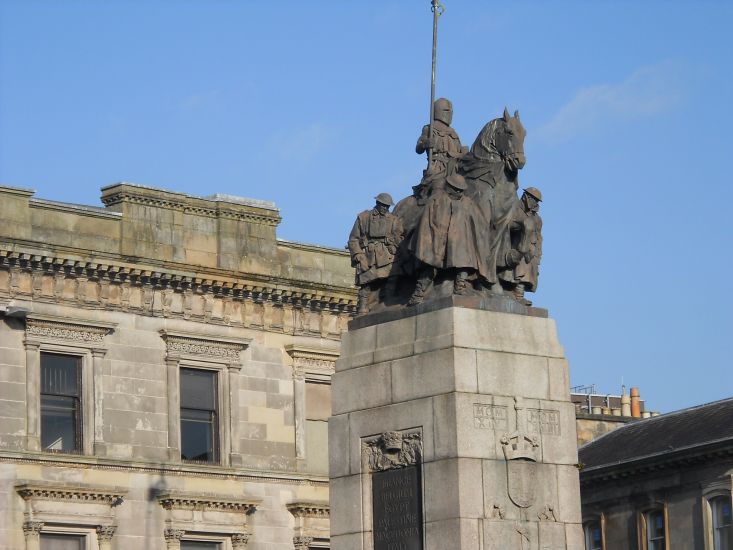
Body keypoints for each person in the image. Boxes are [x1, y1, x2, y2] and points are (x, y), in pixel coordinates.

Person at [408, 173, 493, 304]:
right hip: (438, 239)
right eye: (456, 189)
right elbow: (426, 223)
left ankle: (460, 285)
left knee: (465, 259)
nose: (458, 192)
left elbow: (479, 224)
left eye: (461, 190)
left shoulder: (468, 203)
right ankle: (419, 292)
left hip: (461, 243)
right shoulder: (437, 199)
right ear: (448, 186)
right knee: (428, 264)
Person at [347, 193, 404, 315]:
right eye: (383, 205)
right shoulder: (364, 218)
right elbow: (353, 239)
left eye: (387, 207)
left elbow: (399, 238)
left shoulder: (394, 220)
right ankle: (363, 309)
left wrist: (396, 247)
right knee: (366, 284)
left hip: (387, 254)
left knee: (393, 278)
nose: (385, 209)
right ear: (377, 203)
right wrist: (358, 254)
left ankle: (388, 302)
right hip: (369, 256)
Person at [415, 98, 468, 193]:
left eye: (451, 111)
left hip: (455, 168)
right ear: (438, 111)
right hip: (438, 168)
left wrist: (464, 153)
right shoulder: (429, 128)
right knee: (437, 189)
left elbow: (459, 150)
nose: (450, 113)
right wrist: (425, 144)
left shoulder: (453, 132)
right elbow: (418, 148)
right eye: (447, 110)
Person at [502, 187, 543, 305]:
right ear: (525, 196)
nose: (533, 202)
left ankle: (519, 294)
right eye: (531, 198)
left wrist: (538, 253)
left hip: (531, 249)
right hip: (515, 245)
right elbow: (507, 225)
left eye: (536, 200)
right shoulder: (515, 209)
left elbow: (539, 237)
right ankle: (515, 294)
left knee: (528, 271)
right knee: (519, 268)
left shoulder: (537, 219)